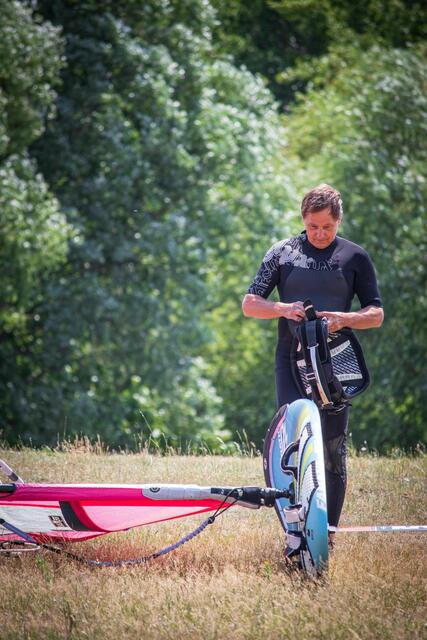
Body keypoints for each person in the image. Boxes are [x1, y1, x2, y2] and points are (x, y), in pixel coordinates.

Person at [242, 184, 383, 538]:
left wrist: (344, 319)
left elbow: (376, 314)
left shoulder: (354, 257)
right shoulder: (283, 253)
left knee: (332, 451)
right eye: (312, 226)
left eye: (327, 227)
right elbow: (250, 304)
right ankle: (295, 532)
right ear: (303, 220)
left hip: (335, 362)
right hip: (290, 359)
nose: (320, 234)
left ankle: (327, 534)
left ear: (339, 221)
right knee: (293, 445)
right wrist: (282, 308)